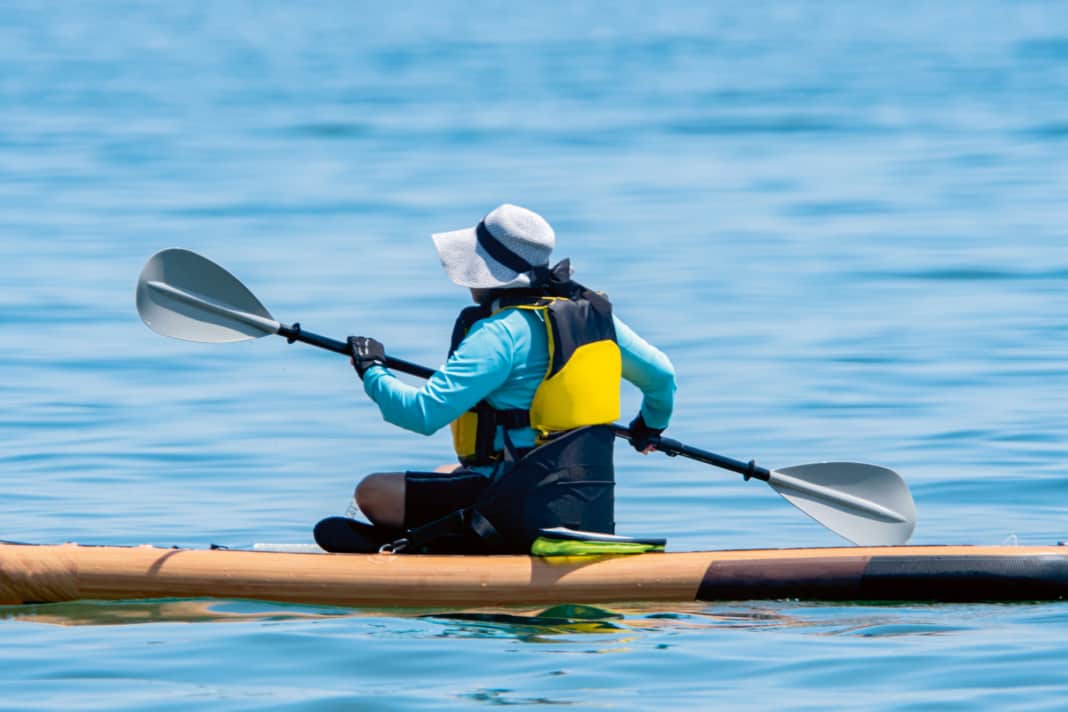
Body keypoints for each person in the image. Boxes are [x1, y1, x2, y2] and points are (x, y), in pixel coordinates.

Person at [313, 204, 675, 554]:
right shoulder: (596, 321)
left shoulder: (499, 333)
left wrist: (371, 369)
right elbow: (661, 377)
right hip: (587, 504)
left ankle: (443, 544)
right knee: (448, 471)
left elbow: (420, 414)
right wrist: (649, 425)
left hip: (515, 505)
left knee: (372, 492)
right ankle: (442, 536)